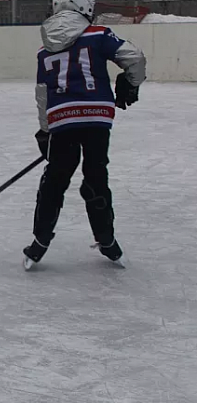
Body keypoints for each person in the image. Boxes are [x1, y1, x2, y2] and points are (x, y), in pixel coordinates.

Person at [23, 0, 146, 270]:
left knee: (54, 179)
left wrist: (46, 132)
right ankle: (108, 242)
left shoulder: (44, 51)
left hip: (62, 119)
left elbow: (43, 95)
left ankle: (39, 244)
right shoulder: (99, 35)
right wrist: (131, 84)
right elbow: (134, 58)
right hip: (96, 118)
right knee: (96, 178)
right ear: (85, 8)